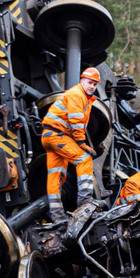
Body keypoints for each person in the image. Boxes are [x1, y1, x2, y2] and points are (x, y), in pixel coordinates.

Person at [41, 67, 101, 224]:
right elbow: (75, 120)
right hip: (57, 136)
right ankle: (84, 207)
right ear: (82, 81)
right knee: (84, 160)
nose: (91, 87)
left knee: (57, 175)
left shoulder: (82, 96)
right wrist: (81, 143)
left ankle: (57, 216)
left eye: (94, 84)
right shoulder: (77, 94)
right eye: (89, 83)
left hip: (49, 137)